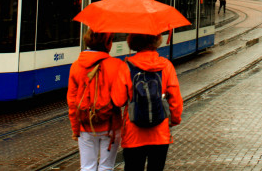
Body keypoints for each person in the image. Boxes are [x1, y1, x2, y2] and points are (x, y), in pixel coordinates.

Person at [119, 33, 182, 171]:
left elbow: (119, 100)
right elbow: (175, 98)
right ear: (156, 40)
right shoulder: (166, 65)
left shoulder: (126, 67)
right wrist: (174, 119)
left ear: (133, 41)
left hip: (133, 134)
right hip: (160, 133)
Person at [67, 29, 127, 171]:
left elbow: (72, 101)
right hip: (111, 126)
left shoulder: (76, 66)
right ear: (107, 43)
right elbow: (120, 101)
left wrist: (76, 129)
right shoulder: (117, 65)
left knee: (87, 167)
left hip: (85, 125)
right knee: (106, 167)